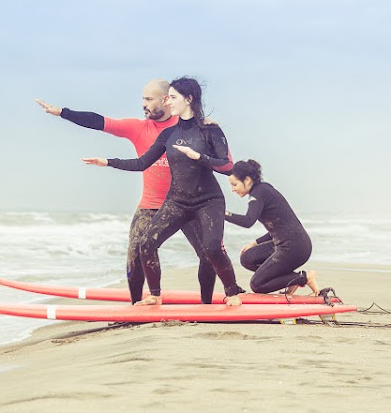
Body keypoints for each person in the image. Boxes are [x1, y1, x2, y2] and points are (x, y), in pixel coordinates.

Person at [35, 79, 219, 304]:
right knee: (135, 255)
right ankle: (137, 305)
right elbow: (101, 122)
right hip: (151, 204)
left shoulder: (188, 127)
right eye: (142, 98)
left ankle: (210, 303)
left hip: (188, 203)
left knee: (209, 255)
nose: (143, 104)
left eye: (148, 99)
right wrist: (63, 112)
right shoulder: (138, 128)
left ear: (165, 100)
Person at [83, 76, 243, 306]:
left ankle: (226, 295)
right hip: (178, 201)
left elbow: (227, 167)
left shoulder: (210, 130)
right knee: (146, 243)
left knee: (210, 249)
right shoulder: (168, 135)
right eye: (167, 97)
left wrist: (200, 157)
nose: (168, 102)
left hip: (208, 200)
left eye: (173, 97)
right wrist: (107, 162)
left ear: (188, 99)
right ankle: (155, 296)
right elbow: (142, 163)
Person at [225, 159, 320, 296]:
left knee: (257, 285)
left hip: (295, 248)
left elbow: (248, 221)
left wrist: (224, 214)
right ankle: (291, 280)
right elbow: (277, 228)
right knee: (247, 258)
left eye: (234, 184)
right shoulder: (262, 190)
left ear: (247, 180)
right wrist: (255, 243)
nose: (232, 189)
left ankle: (304, 278)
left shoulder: (260, 193)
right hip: (289, 244)